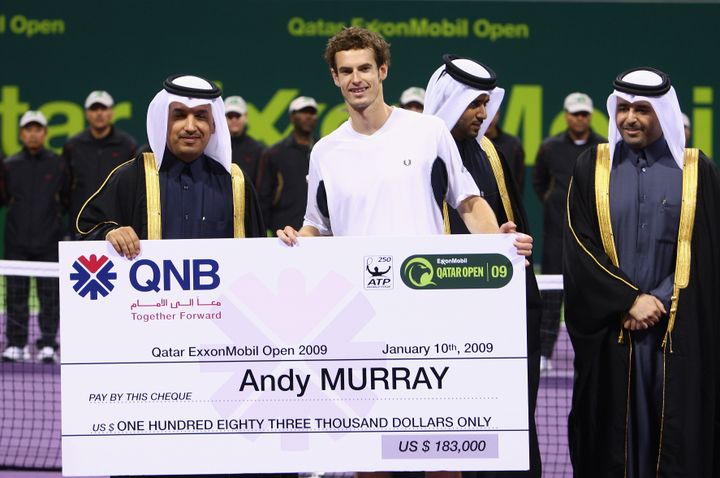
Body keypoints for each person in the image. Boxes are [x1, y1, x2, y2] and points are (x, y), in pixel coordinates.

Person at [563, 67, 720, 477]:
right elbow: (580, 246)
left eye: (643, 110)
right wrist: (628, 300)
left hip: (674, 332)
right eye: (623, 108)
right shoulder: (590, 167)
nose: (630, 118)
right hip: (614, 331)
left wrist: (662, 298)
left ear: (663, 114)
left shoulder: (697, 171)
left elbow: (707, 251)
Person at [424, 54, 541, 478]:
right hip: (438, 316)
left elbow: (514, 226)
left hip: (496, 315)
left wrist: (511, 240)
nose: (482, 113)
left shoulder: (491, 151)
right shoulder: (418, 154)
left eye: (486, 103)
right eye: (474, 104)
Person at [77, 75, 264, 258]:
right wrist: (109, 233)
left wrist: (287, 244)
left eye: (200, 116)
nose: (190, 126)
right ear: (163, 122)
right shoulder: (131, 177)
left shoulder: (235, 183)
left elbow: (259, 258)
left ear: (213, 125)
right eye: (180, 115)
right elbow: (85, 234)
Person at [532, 92, 605, 372]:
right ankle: (545, 354)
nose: (579, 118)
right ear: (566, 115)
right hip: (556, 235)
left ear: (590, 116)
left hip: (593, 237)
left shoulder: (603, 147)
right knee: (551, 297)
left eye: (584, 114)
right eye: (575, 113)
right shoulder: (549, 148)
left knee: (592, 295)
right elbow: (540, 183)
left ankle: (593, 352)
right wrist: (554, 203)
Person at [1, 111, 69, 363]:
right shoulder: (9, 165)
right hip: (16, 242)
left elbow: (64, 200)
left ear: (45, 133)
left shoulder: (58, 163)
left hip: (48, 242)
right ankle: (16, 344)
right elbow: (6, 198)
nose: (33, 133)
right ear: (21, 134)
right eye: (28, 129)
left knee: (50, 296)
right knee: (16, 296)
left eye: (37, 129)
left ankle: (48, 343)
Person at [63, 90, 137, 234]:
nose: (99, 113)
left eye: (103, 108)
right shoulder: (73, 145)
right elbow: (65, 187)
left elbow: (131, 187)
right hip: (80, 225)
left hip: (117, 225)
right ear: (86, 114)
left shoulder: (127, 145)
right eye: (94, 108)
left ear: (111, 112)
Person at [256, 96, 317, 233]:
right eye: (303, 112)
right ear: (292, 117)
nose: (308, 116)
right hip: (284, 232)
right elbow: (264, 198)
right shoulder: (274, 154)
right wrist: (260, 234)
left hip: (319, 232)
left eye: (311, 112)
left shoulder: (323, 150)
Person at [225, 95, 265, 184]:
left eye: (238, 115)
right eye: (230, 116)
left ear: (245, 116)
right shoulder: (215, 148)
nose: (234, 120)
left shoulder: (257, 150)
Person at [485, 111, 525, 193]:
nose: (487, 119)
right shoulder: (468, 144)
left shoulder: (513, 145)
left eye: (491, 112)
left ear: (498, 113)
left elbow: (518, 183)